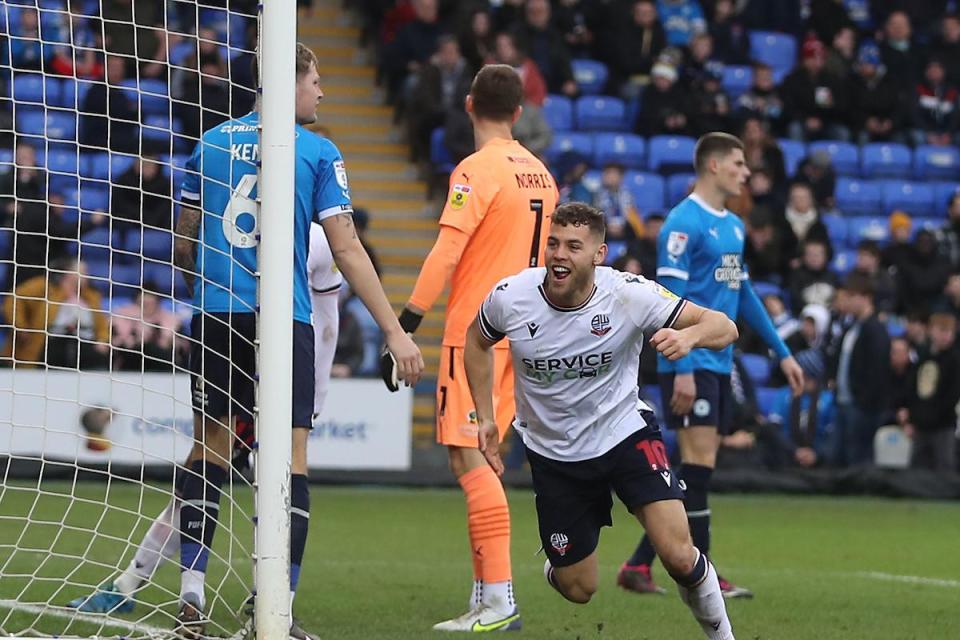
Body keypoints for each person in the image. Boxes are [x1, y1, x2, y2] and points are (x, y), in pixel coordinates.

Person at [168, 43, 423, 639]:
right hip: (284, 320)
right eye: (315, 81)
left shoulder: (209, 144)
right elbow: (346, 249)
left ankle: (191, 597)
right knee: (289, 459)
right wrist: (394, 332)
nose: (322, 92)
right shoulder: (318, 151)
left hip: (217, 314)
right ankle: (274, 607)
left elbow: (181, 240)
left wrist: (212, 279)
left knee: (208, 449)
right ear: (289, 83)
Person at [465, 202, 739, 639]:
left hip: (623, 433)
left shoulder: (629, 294)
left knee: (679, 554)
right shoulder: (511, 297)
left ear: (599, 254)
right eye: (553, 243)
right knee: (579, 588)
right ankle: (561, 564)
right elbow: (476, 341)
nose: (558, 254)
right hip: (554, 454)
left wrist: (689, 337)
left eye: (574, 246)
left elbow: (723, 325)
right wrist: (484, 416)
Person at [380, 64, 558, 632]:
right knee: (482, 457)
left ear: (468, 104)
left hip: (476, 336)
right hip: (525, 335)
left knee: (467, 459)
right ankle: (487, 594)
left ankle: (500, 599)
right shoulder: (542, 175)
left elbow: (446, 254)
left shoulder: (475, 171)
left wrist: (407, 321)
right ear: (521, 111)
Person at [616, 132, 804, 598]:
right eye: (739, 163)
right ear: (714, 165)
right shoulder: (683, 222)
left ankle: (638, 565)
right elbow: (669, 301)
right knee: (698, 468)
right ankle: (705, 574)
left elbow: (745, 296)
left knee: (696, 469)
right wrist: (679, 366)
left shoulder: (734, 225)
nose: (746, 172)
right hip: (690, 360)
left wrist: (783, 352)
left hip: (719, 361)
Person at [827, 273, 890, 467]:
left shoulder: (875, 330)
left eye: (851, 296)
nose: (847, 302)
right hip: (844, 401)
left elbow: (877, 370)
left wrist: (864, 400)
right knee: (838, 456)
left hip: (861, 406)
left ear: (865, 297)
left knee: (858, 457)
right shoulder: (852, 328)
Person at [902, 312, 960, 472]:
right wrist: (913, 417)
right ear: (931, 331)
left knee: (944, 467)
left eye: (950, 332)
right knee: (917, 468)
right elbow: (912, 389)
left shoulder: (954, 360)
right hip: (920, 424)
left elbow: (952, 395)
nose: (946, 336)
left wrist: (932, 416)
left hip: (943, 425)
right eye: (942, 331)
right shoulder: (923, 357)